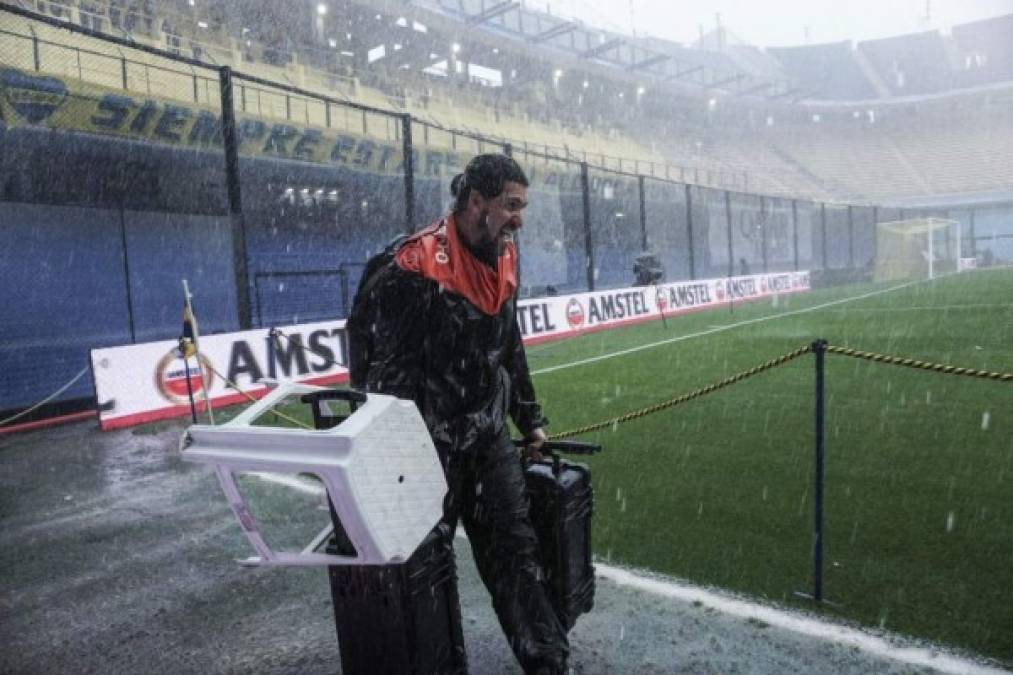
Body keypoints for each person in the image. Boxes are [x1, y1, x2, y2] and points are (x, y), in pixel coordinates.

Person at [347, 154, 569, 675]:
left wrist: (529, 420)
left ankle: (548, 662)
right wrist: (393, 451)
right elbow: (380, 372)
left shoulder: (506, 255)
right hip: (424, 446)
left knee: (516, 551)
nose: (519, 218)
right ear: (476, 203)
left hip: (487, 435)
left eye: (522, 206)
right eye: (511, 206)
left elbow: (507, 348)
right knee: (425, 565)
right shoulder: (412, 267)